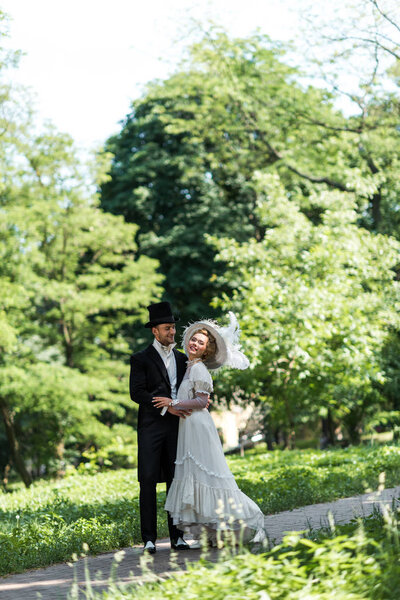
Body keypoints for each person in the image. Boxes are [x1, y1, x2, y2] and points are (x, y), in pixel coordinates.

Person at [152, 312, 266, 547]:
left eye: (200, 343)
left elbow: (202, 402)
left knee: (208, 473)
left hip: (198, 426)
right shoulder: (190, 367)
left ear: (206, 350)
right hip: (188, 426)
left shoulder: (199, 370)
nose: (194, 343)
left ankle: (241, 519)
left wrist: (171, 403)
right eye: (193, 339)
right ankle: (212, 534)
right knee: (195, 474)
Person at [129, 301, 191, 554]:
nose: (172, 332)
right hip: (150, 428)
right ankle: (149, 539)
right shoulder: (140, 359)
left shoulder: (182, 358)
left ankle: (178, 537)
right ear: (155, 331)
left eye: (173, 328)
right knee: (148, 481)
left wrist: (179, 405)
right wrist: (166, 406)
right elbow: (137, 393)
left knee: (176, 481)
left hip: (178, 427)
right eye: (167, 328)